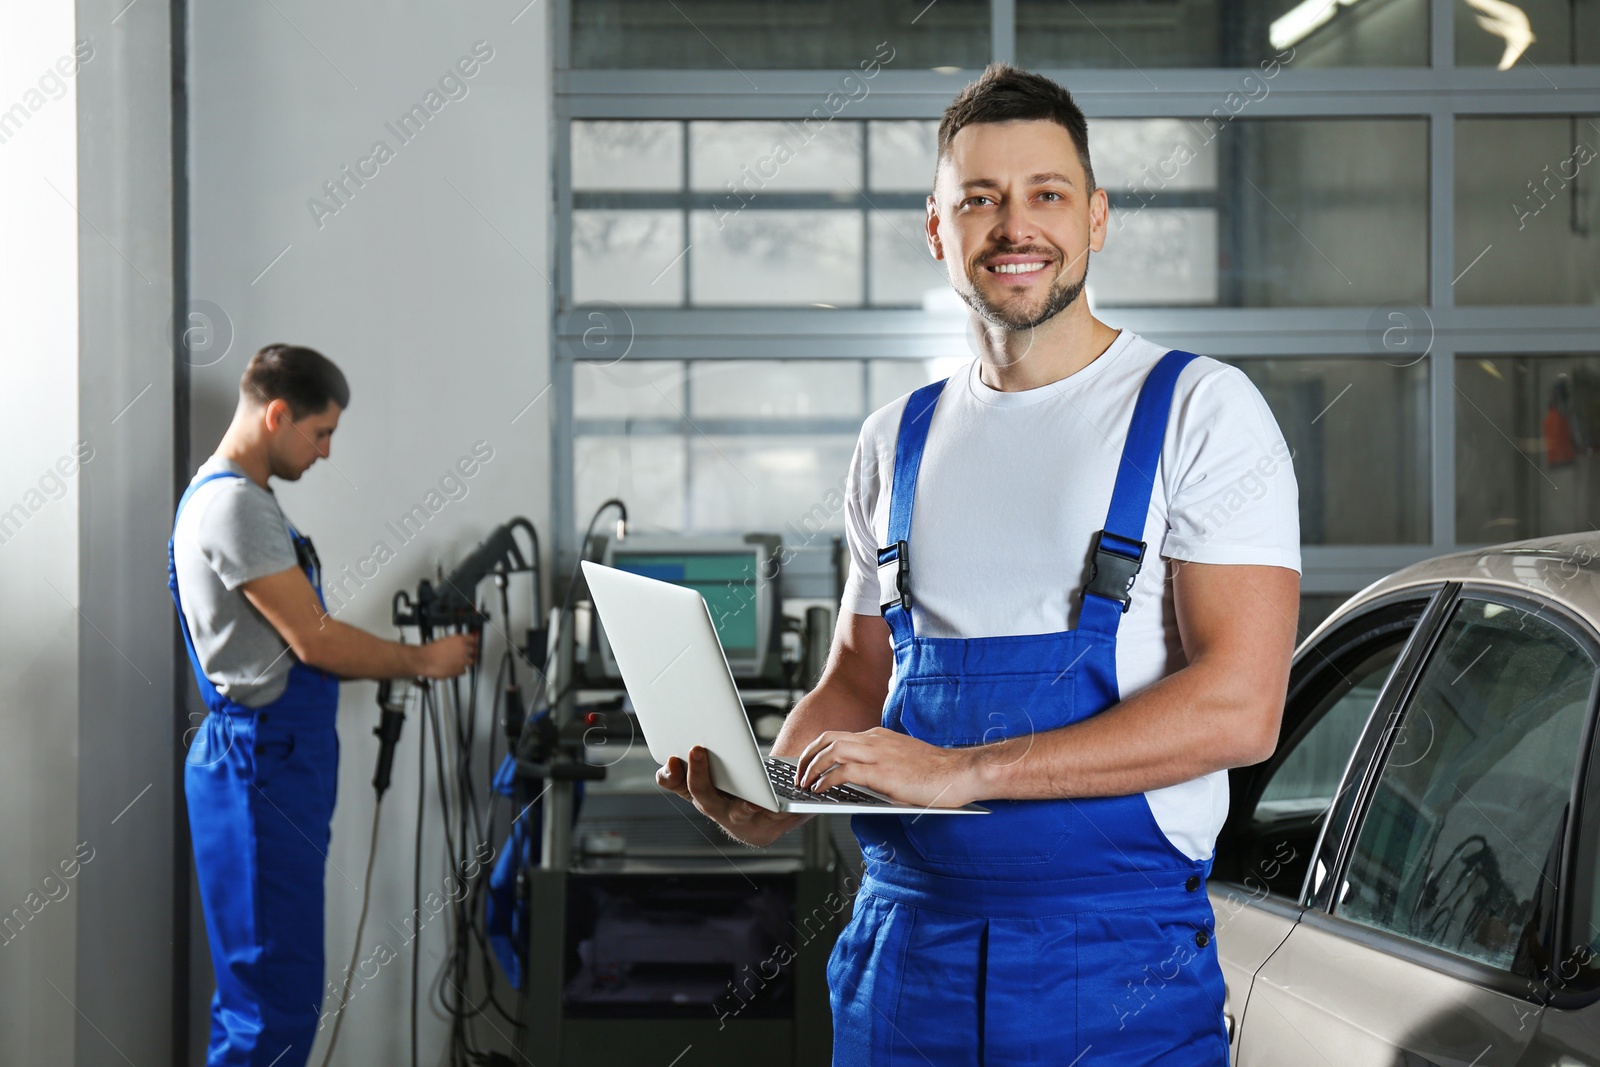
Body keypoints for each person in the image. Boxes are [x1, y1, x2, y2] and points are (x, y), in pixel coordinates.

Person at [657, 64, 1301, 1064]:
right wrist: (775, 788)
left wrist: (964, 771)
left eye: (1045, 194)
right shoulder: (894, 440)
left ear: (1096, 218)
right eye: (979, 200)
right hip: (902, 962)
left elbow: (1240, 705)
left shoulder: (1197, 411)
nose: (1015, 227)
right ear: (936, 228)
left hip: (1112, 967)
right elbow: (859, 679)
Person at [169, 343, 478, 1067]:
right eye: (320, 432)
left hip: (277, 759)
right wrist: (419, 660)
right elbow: (313, 640)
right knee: (269, 1008)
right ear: (277, 413)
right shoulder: (234, 505)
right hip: (261, 765)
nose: (327, 451)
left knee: (267, 993)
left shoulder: (234, 497)